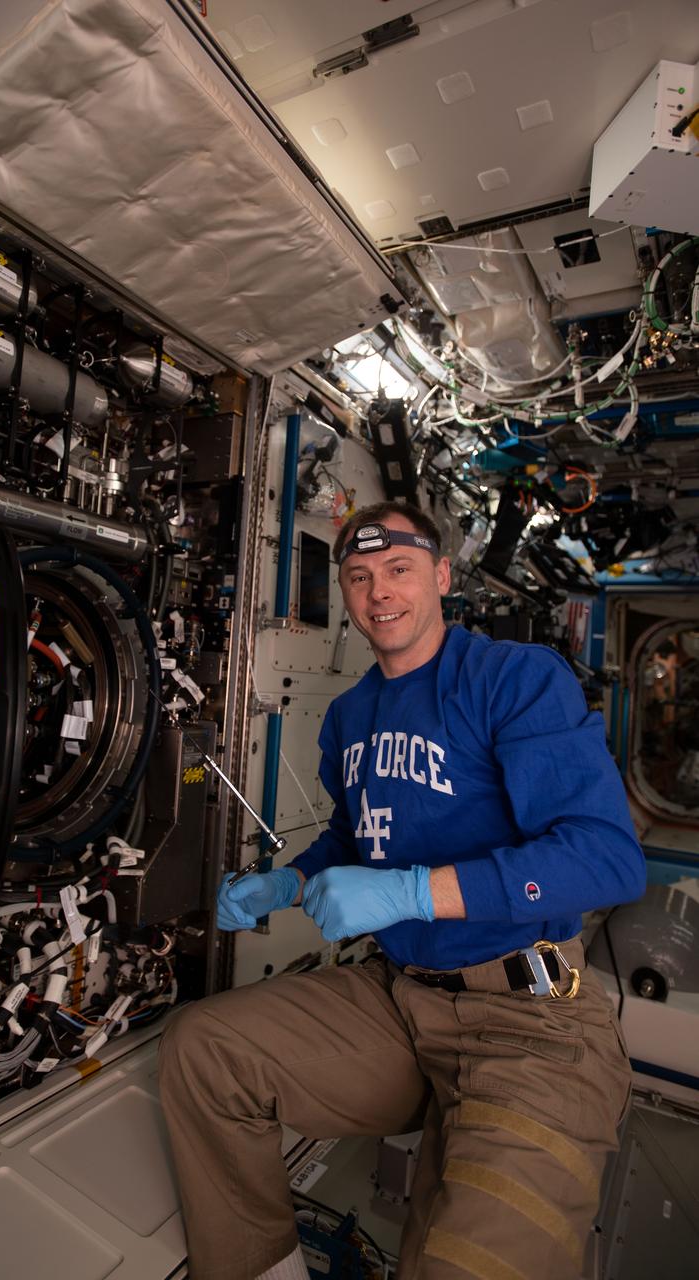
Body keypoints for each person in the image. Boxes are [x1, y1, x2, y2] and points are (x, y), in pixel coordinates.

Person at [159, 500, 646, 1280]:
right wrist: (288, 881)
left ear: (442, 577)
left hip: (525, 1021)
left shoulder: (512, 680)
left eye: (397, 570)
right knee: (203, 1050)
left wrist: (414, 893)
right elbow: (356, 840)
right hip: (401, 1000)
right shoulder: (351, 716)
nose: (378, 592)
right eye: (358, 576)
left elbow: (603, 860)